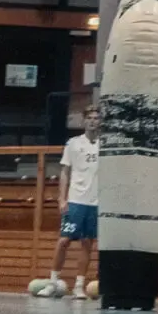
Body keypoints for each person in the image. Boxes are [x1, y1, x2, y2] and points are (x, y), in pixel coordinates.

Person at [39, 104, 100, 300]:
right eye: (89, 117)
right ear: (84, 121)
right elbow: (65, 171)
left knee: (87, 242)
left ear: (101, 121)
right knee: (64, 240)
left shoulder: (105, 145)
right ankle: (52, 282)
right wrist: (62, 198)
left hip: (95, 202)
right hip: (76, 200)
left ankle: (79, 286)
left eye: (97, 117)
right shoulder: (73, 143)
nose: (93, 121)